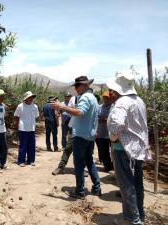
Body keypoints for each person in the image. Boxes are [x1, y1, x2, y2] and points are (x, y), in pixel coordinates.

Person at [107, 71, 151, 225]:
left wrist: (113, 138)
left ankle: (133, 220)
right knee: (137, 183)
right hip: (137, 149)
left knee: (126, 184)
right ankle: (139, 215)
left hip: (123, 149)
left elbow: (118, 124)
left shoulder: (122, 103)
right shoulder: (139, 101)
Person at [50, 76, 101, 199]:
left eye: (77, 86)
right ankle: (96, 187)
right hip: (89, 136)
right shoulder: (93, 98)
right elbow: (83, 112)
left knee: (78, 164)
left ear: (84, 85)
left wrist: (61, 107)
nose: (75, 88)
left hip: (81, 136)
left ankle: (79, 191)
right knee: (89, 162)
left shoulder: (85, 97)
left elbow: (79, 112)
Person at [14, 91, 39, 167]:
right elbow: (16, 116)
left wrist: (34, 125)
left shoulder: (35, 106)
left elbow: (36, 116)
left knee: (31, 145)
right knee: (23, 145)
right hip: (23, 128)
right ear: (26, 98)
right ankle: (21, 161)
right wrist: (16, 126)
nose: (31, 98)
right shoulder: (20, 106)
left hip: (31, 128)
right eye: (29, 97)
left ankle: (31, 160)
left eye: (31, 97)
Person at [95, 91, 114, 172]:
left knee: (113, 152)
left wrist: (106, 120)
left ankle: (113, 166)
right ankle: (108, 166)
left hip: (111, 133)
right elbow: (95, 117)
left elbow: (113, 119)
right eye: (105, 98)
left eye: (108, 98)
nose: (106, 99)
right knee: (103, 151)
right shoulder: (99, 107)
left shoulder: (114, 107)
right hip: (101, 133)